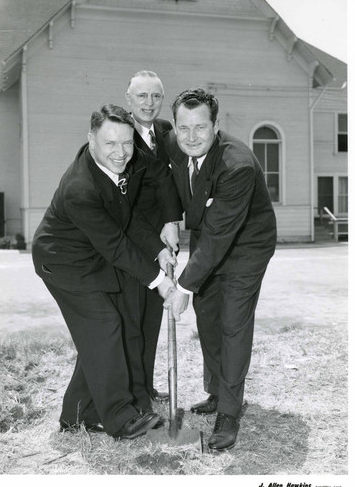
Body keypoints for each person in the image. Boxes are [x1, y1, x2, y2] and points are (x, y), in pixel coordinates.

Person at [32, 104, 178, 440]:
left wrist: (157, 249)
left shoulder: (110, 166)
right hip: (63, 261)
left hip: (91, 253)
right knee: (106, 325)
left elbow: (127, 219)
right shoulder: (81, 189)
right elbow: (116, 244)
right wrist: (160, 283)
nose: (121, 152)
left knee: (102, 332)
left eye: (127, 143)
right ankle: (119, 417)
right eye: (110, 144)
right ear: (91, 140)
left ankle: (77, 414)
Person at [164, 88, 277, 451]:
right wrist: (169, 219)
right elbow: (160, 179)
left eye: (201, 128)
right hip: (209, 239)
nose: (191, 137)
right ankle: (216, 391)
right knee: (208, 316)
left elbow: (218, 236)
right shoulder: (175, 144)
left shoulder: (237, 164)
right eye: (184, 128)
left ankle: (229, 412)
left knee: (232, 323)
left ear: (216, 126)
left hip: (246, 246)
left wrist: (183, 287)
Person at [125, 70, 181, 402]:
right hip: (132, 241)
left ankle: (145, 386)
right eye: (142, 96)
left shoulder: (164, 131)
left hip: (161, 240)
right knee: (132, 319)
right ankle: (132, 392)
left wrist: (172, 221)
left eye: (156, 96)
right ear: (128, 99)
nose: (149, 103)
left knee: (151, 319)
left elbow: (167, 182)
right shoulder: (120, 134)